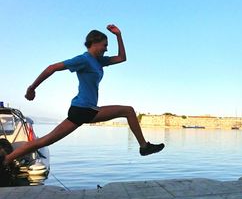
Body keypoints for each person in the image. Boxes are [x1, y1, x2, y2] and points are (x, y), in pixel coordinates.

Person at [0, 24, 164, 171]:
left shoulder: (99, 62)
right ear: (94, 42)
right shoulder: (84, 59)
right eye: (105, 45)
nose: (106, 49)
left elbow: (122, 58)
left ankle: (6, 159)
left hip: (81, 110)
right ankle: (144, 146)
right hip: (84, 109)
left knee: (44, 141)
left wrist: (119, 35)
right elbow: (52, 67)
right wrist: (32, 88)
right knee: (128, 111)